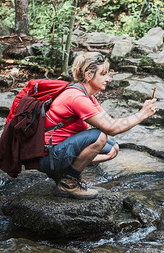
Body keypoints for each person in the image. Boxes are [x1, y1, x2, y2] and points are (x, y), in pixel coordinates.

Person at [43, 52, 157, 200]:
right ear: (89, 75)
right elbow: (111, 129)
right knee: (100, 137)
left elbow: (109, 122)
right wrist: (142, 114)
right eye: (103, 74)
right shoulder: (76, 97)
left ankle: (63, 172)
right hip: (47, 156)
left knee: (112, 150)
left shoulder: (87, 95)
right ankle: (68, 183)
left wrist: (142, 112)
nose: (108, 79)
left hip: (54, 152)